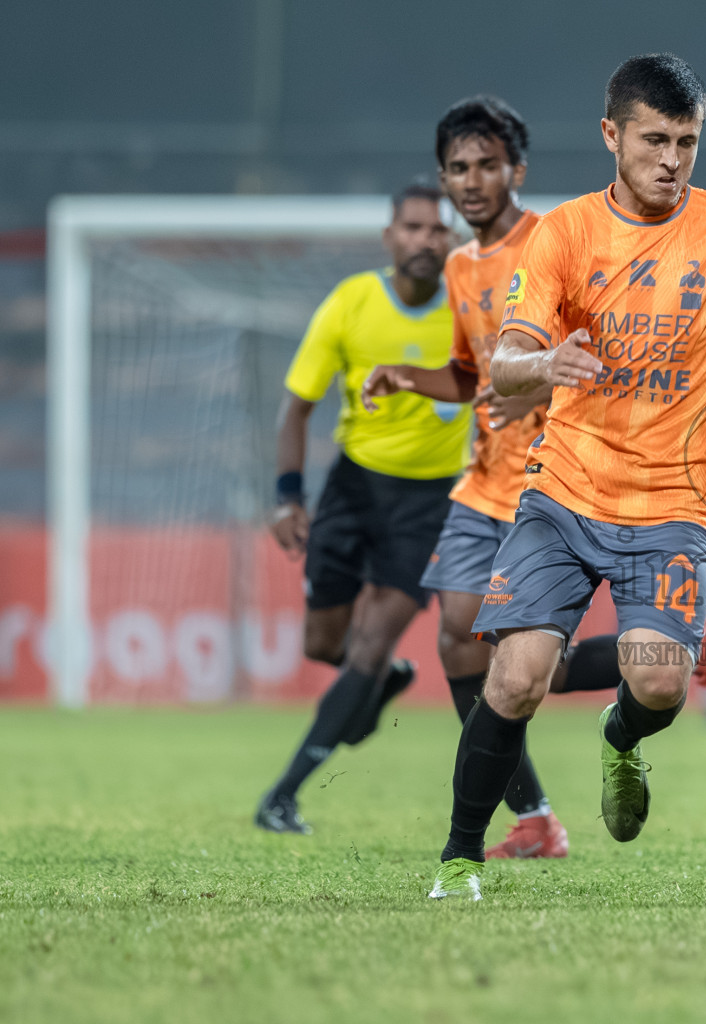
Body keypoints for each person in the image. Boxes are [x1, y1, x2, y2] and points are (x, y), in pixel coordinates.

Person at [424, 53, 706, 900]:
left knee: (658, 683)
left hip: (674, 501)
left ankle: (621, 736)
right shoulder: (564, 232)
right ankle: (458, 860)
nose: (671, 160)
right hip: (563, 491)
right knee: (517, 677)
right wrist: (545, 363)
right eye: (653, 141)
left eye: (686, 142)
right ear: (611, 135)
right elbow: (507, 358)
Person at [363, 96, 706, 859]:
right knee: (462, 645)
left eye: (487, 166)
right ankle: (536, 815)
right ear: (443, 179)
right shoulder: (460, 265)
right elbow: (473, 372)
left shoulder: (562, 239)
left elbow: (610, 361)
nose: (472, 181)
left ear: (516, 171)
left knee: (508, 661)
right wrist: (409, 377)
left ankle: (668, 671)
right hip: (487, 480)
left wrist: (539, 381)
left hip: (562, 478)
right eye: (458, 168)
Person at [255, 183, 466, 834]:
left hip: (430, 500)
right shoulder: (351, 302)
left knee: (369, 646)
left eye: (437, 229)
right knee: (325, 645)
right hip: (352, 489)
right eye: (413, 227)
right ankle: (378, 682)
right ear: (389, 237)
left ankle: (282, 796)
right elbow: (297, 408)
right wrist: (287, 497)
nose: (425, 239)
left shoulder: (470, 306)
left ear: (452, 239)